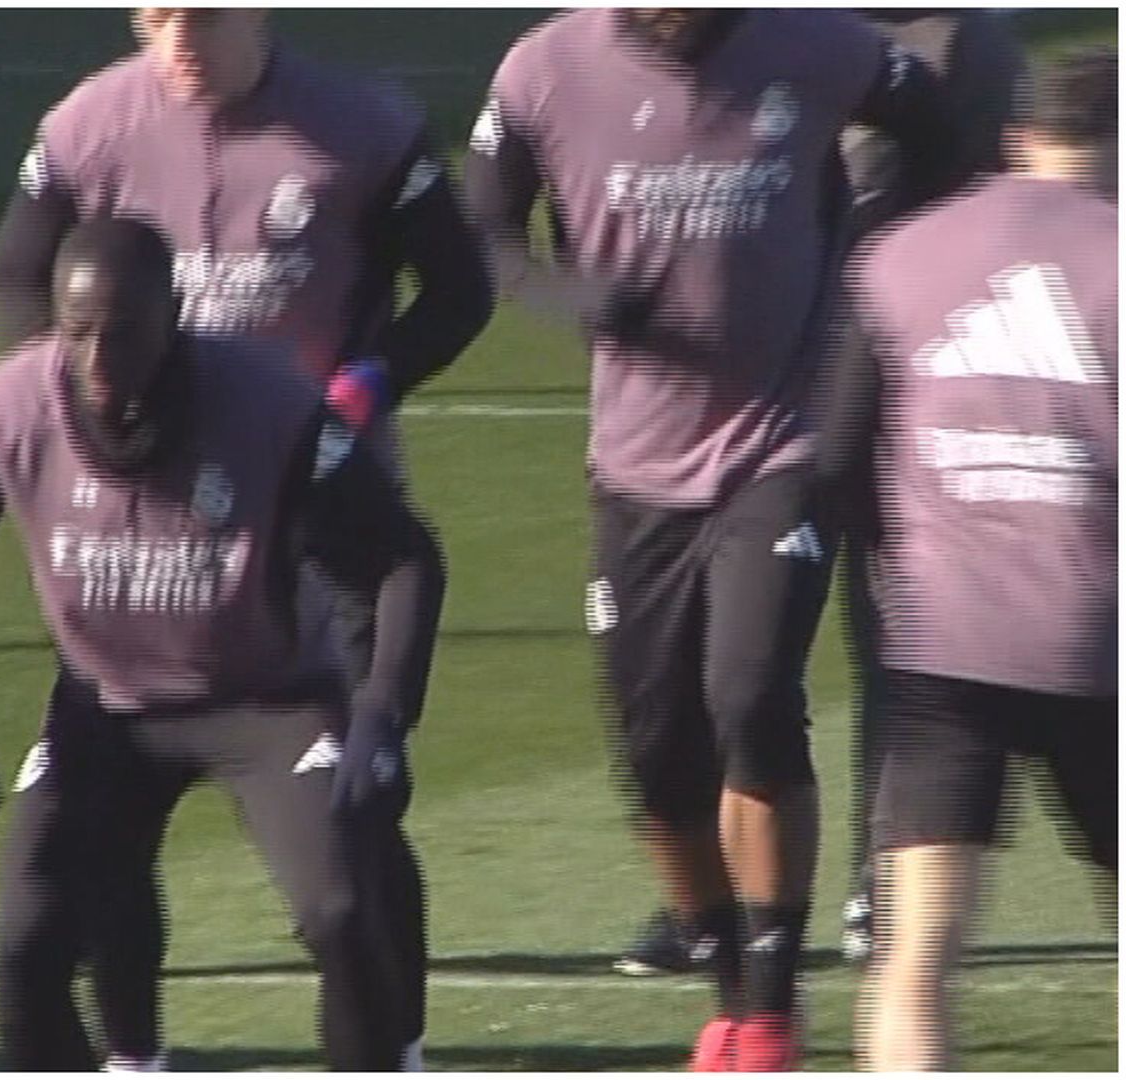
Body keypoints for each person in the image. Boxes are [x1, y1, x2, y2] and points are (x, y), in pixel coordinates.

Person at [0, 9, 490, 1065]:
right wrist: (76, 410)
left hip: (325, 525)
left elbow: (459, 289)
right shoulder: (87, 126)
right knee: (120, 811)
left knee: (355, 803)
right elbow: (14, 283)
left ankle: (392, 1039)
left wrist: (358, 392)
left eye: (202, 13)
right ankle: (135, 1051)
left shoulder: (361, 127)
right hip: (159, 527)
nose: (178, 37)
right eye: (155, 14)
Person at [463, 8, 956, 1069]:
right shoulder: (544, 71)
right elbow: (486, 229)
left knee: (750, 696)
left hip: (782, 446)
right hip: (634, 471)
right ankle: (727, 976)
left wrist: (879, 252)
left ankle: (772, 1007)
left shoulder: (817, 44)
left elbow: (938, 124)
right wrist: (574, 295)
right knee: (654, 755)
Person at [0, 217, 446, 1070]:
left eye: (120, 334)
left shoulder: (269, 404)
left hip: (267, 700)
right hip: (106, 706)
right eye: (75, 332)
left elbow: (405, 557)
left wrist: (381, 713)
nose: (95, 361)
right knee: (23, 939)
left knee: (338, 908)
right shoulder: (8, 408)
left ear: (175, 316)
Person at [620, 6, 1031, 979]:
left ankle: (884, 887)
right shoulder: (774, 34)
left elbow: (981, 218)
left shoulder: (963, 49)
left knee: (900, 644)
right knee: (737, 666)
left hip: (900, 381)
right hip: (755, 402)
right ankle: (721, 900)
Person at [817, 47, 1118, 1071]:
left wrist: (904, 554)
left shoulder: (902, 252)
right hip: (1101, 643)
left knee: (914, 958)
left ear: (1016, 137)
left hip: (944, 645)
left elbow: (831, 451)